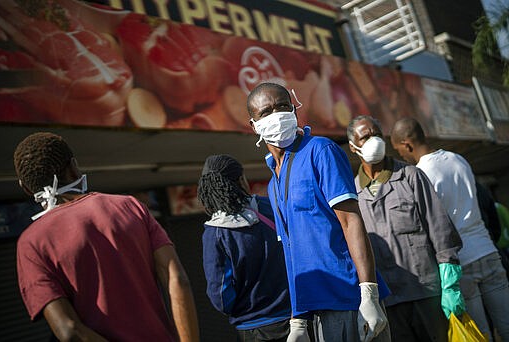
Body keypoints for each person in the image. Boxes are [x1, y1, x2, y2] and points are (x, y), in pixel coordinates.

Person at [13, 132, 199, 342]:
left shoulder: (31, 243)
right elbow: (177, 279)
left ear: (26, 188)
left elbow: (68, 330)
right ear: (74, 166)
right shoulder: (130, 206)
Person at [247, 82, 390, 342]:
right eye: (266, 112)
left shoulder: (320, 151)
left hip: (349, 299)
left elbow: (350, 221)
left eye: (282, 106)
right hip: (316, 309)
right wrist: (298, 319)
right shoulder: (272, 183)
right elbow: (289, 250)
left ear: (294, 110)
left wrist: (368, 294)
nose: (276, 115)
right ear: (254, 125)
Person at [391, 117, 509, 341]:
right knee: (506, 323)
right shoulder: (458, 159)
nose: (402, 157)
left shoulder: (421, 174)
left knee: (478, 334)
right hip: (488, 251)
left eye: (400, 151)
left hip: (460, 263)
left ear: (407, 144)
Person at [348, 115, 464, 341]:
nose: (374, 141)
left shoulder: (410, 176)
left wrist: (451, 282)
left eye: (377, 134)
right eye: (366, 137)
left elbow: (439, 227)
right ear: (353, 147)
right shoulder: (353, 193)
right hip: (388, 300)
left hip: (425, 292)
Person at [197, 154, 309, 342]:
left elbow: (220, 296)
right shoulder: (271, 206)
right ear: (241, 180)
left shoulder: (215, 233)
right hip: (298, 316)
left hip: (254, 327)